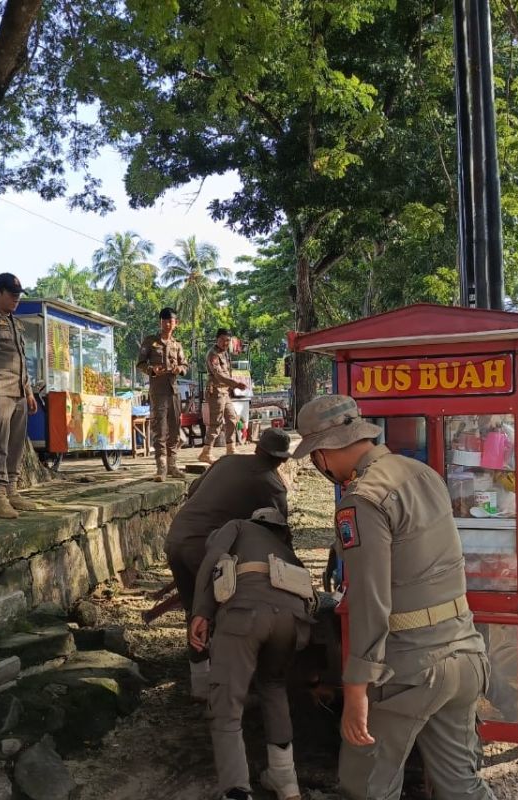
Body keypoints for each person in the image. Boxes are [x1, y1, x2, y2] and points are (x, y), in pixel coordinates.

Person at [294, 395, 494, 800]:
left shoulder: (363, 499)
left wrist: (355, 691)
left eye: (315, 457)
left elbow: (370, 602)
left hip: (410, 670)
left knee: (367, 786)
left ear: (324, 451)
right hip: (465, 653)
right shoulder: (423, 473)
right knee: (460, 783)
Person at [189, 508, 312, 800]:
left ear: (256, 521)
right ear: (281, 530)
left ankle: (236, 790)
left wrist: (201, 612)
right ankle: (285, 780)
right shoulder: (286, 549)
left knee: (227, 703)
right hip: (293, 623)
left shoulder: (238, 525)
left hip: (245, 613)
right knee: (273, 686)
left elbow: (212, 560)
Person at [164, 427, 293, 699]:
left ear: (258, 448)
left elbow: (193, 489)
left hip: (176, 537)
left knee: (194, 610)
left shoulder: (226, 461)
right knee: (227, 610)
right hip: (206, 548)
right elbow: (280, 534)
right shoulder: (271, 484)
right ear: (281, 460)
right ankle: (229, 684)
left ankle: (200, 681)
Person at [0, 272, 39, 519]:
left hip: (19, 392)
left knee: (15, 444)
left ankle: (12, 489)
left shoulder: (16, 323)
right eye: (11, 295)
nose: (16, 300)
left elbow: (23, 361)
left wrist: (29, 392)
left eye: (18, 296)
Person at [136, 307, 188, 481]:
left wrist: (179, 368)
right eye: (164, 321)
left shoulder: (177, 344)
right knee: (160, 429)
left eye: (170, 321)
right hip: (158, 392)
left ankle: (173, 465)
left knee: (174, 429)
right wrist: (152, 370)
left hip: (173, 391)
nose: (167, 324)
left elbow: (185, 366)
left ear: (175, 323)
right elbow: (141, 363)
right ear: (160, 322)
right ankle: (161, 469)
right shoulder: (151, 342)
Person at [198, 328, 245, 464]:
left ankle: (231, 448)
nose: (225, 343)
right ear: (217, 339)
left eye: (228, 340)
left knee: (232, 419)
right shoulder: (212, 354)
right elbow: (219, 375)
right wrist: (235, 384)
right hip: (216, 392)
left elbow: (227, 373)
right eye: (223, 340)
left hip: (225, 392)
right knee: (216, 423)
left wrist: (232, 386)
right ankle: (206, 453)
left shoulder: (225, 354)